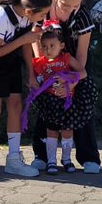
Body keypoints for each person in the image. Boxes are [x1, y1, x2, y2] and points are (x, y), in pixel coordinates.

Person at [0, 0, 52, 179]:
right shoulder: (2, 15)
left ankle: (14, 159)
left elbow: (26, 45)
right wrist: (25, 38)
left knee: (16, 104)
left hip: (12, 58)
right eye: (41, 14)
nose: (43, 18)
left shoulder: (26, 16)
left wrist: (31, 74)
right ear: (28, 11)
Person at [30, 0, 102, 174]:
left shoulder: (83, 16)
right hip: (46, 64)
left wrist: (72, 82)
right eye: (65, 4)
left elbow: (82, 55)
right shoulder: (43, 6)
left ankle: (88, 157)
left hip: (74, 64)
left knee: (81, 107)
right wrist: (43, 68)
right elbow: (34, 38)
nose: (69, 10)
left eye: (75, 5)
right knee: (46, 107)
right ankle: (42, 155)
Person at [29, 26, 81, 174]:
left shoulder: (66, 58)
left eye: (52, 46)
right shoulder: (39, 62)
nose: (48, 49)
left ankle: (66, 160)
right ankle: (51, 161)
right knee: (51, 132)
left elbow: (81, 72)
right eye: (44, 46)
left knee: (67, 131)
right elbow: (32, 79)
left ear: (62, 45)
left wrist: (71, 84)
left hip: (66, 102)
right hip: (49, 102)